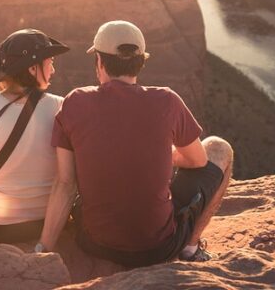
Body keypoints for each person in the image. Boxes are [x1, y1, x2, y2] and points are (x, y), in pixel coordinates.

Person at [35, 20, 233, 266]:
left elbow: (65, 183)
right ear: (141, 62)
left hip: (94, 244)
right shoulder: (167, 101)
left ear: (99, 61)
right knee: (219, 147)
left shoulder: (75, 102)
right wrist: (165, 155)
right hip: (157, 249)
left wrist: (43, 250)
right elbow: (198, 160)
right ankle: (190, 249)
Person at [0, 28, 70, 243]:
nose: (53, 70)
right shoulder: (62, 107)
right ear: (33, 68)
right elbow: (67, 179)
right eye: (50, 62)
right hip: (45, 222)